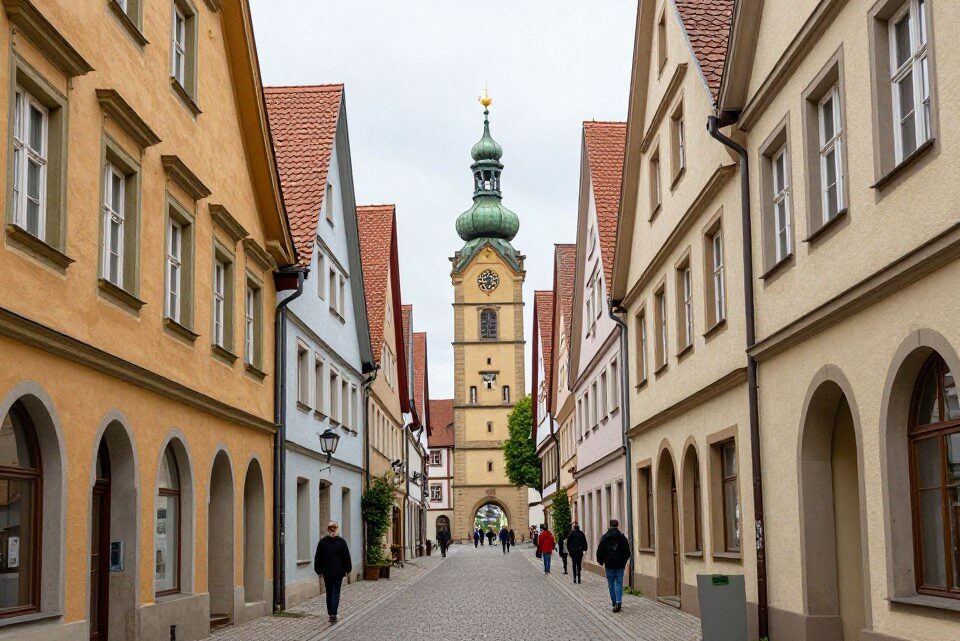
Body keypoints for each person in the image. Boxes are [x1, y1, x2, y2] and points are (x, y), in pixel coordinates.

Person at [313, 521, 352, 623]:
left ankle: (330, 613)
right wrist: (348, 569)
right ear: (337, 529)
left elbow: (318, 557)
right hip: (338, 571)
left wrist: (318, 570)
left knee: (329, 592)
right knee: (336, 592)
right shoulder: (341, 542)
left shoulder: (323, 542)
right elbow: (346, 557)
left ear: (328, 529)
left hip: (327, 572)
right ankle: (333, 614)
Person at [596, 519, 631, 613]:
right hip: (620, 564)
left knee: (611, 584)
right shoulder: (622, 538)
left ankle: (614, 602)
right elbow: (627, 552)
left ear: (610, 525)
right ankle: (618, 602)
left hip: (609, 564)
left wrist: (600, 561)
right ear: (617, 525)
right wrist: (623, 561)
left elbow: (600, 551)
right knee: (619, 583)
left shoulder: (605, 537)